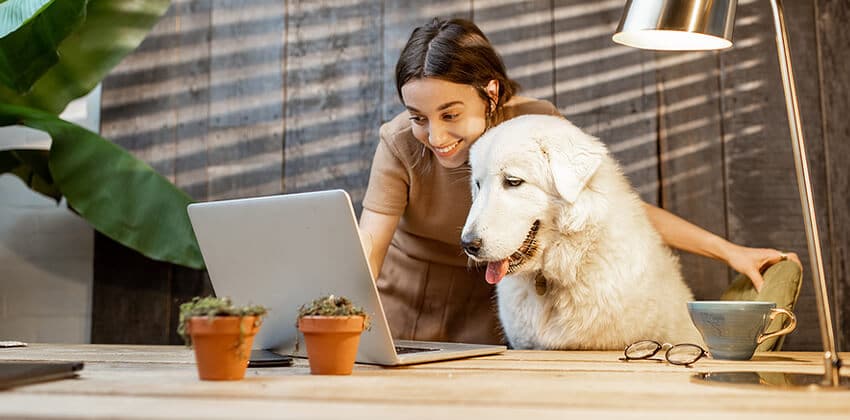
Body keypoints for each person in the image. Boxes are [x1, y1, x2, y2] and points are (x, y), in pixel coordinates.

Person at [358, 17, 799, 345]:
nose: (434, 136)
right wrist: (340, 314)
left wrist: (728, 251)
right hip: (410, 306)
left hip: (489, 300)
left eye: (450, 114)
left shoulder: (538, 127)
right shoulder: (400, 144)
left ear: (490, 93)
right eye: (418, 117)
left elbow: (614, 205)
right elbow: (369, 246)